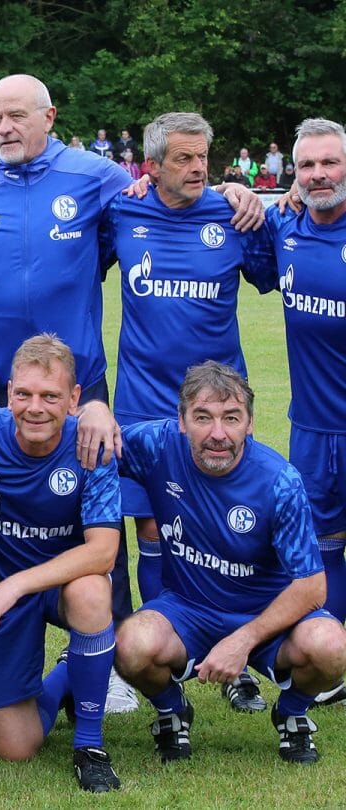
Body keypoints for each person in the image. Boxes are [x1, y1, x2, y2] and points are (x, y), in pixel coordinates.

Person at [0, 73, 260, 713]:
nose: (5, 128)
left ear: (49, 116)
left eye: (17, 115)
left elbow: (163, 194)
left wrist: (237, 189)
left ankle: (120, 647)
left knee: (101, 516)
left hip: (81, 389)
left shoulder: (97, 178)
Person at [107, 111, 277, 711]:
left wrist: (251, 199)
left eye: (203, 155)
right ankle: (167, 661)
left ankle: (237, 656)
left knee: (229, 532)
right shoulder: (122, 211)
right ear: (150, 166)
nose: (197, 167)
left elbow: (278, 273)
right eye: (181, 157)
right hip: (144, 406)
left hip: (218, 410)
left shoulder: (234, 214)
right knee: (153, 527)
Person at [114, 362, 346, 764]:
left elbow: (311, 588)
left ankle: (291, 715)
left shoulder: (279, 482)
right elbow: (88, 439)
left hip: (267, 615)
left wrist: (242, 640)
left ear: (250, 423)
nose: (217, 434)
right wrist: (98, 412)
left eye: (231, 418)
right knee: (130, 645)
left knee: (332, 647)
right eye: (203, 417)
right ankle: (172, 710)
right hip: (187, 608)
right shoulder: (157, 445)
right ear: (181, 420)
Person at [0, 335, 123, 793]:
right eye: (23, 394)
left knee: (92, 591)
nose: (35, 407)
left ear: (74, 399)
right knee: (16, 746)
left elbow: (103, 552)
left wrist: (17, 585)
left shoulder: (91, 440)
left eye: (50, 396)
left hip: (52, 587)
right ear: (7, 393)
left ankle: (90, 744)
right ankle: (71, 672)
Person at [263, 117, 346, 651]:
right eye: (307, 165)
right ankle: (333, 653)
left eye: (330, 162)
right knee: (323, 545)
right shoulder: (284, 228)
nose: (319, 175)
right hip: (312, 429)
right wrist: (230, 189)